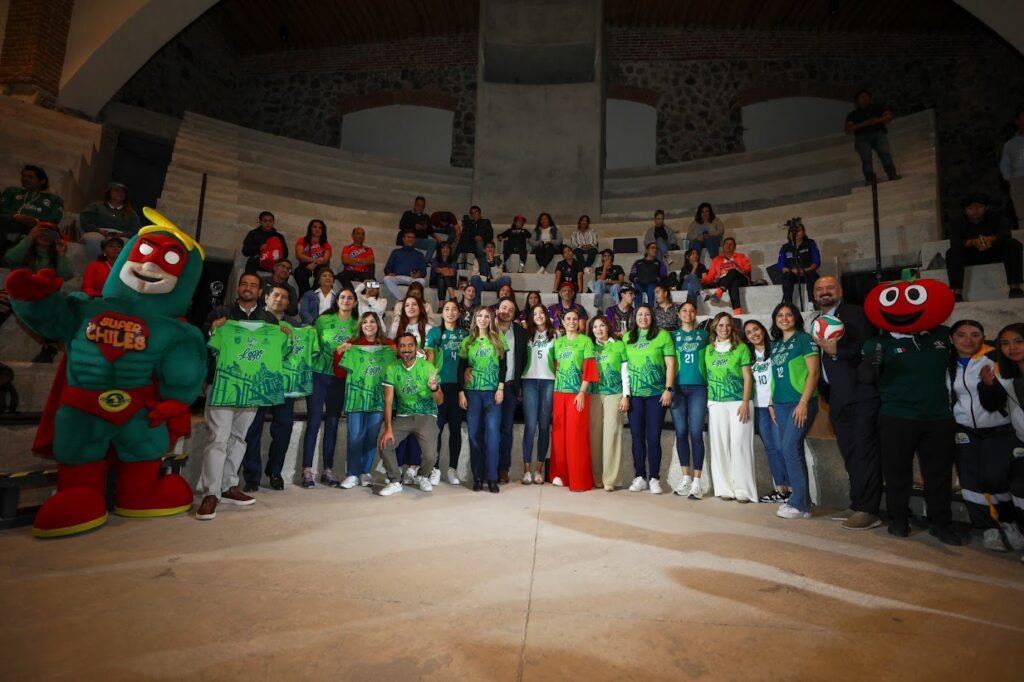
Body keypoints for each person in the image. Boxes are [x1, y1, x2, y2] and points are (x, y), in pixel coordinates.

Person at [859, 295, 960, 545]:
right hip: (897, 417)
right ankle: (898, 519)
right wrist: (871, 364)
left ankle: (940, 523)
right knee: (896, 472)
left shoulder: (942, 336)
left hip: (938, 416)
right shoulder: (877, 343)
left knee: (938, 474)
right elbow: (864, 377)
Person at [197, 314, 290, 520]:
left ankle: (229, 486)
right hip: (222, 388)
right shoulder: (225, 317)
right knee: (218, 438)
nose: (248, 288)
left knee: (239, 438)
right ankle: (211, 493)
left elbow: (283, 352)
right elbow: (209, 343)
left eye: (253, 285)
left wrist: (285, 336)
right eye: (244, 283)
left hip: (252, 392)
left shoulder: (270, 325)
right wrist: (214, 329)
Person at [812, 276, 882, 530]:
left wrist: (836, 351)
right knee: (850, 453)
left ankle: (869, 510)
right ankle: (857, 502)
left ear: (840, 291)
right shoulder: (816, 322)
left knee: (865, 452)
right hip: (837, 397)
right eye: (819, 289)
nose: (824, 292)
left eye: (830, 288)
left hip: (861, 394)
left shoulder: (857, 314)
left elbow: (869, 349)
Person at [949, 320, 1024, 552]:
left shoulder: (995, 357)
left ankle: (1009, 524)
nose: (968, 340)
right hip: (964, 431)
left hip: (999, 431)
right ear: (952, 339)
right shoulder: (947, 362)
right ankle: (987, 529)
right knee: (971, 483)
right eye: (961, 335)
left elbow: (998, 399)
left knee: (998, 480)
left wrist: (988, 385)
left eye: (974, 334)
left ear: (983, 337)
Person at [241, 285, 303, 493]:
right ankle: (252, 476)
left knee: (284, 427)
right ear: (266, 298)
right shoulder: (253, 321)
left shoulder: (294, 325)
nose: (279, 299)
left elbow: (300, 354)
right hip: (258, 382)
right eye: (275, 295)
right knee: (253, 429)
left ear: (288, 303)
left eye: (284, 297)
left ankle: (275, 472)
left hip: (285, 385)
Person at [302, 286, 358, 488]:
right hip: (318, 376)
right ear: (337, 300)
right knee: (314, 421)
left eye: (350, 297)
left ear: (355, 302)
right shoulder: (323, 321)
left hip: (340, 379)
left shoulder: (357, 324)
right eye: (342, 297)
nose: (346, 300)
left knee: (333, 424)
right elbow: (310, 344)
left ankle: (328, 469)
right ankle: (307, 470)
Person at [769, 302, 820, 519]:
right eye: (779, 315)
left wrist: (803, 402)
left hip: (799, 402)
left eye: (788, 315)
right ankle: (803, 502)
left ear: (795, 317)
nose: (784, 318)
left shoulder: (804, 339)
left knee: (790, 447)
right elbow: (775, 376)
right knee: (790, 449)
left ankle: (798, 504)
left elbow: (814, 373)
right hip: (780, 403)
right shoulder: (777, 344)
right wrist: (771, 402)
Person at [376, 333, 444, 496]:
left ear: (416, 348)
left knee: (430, 455)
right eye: (403, 346)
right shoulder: (392, 368)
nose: (407, 349)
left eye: (410, 345)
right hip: (404, 416)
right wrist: (388, 429)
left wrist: (434, 388)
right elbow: (388, 402)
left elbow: (440, 401)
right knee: (385, 444)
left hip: (426, 415)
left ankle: (422, 476)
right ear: (398, 349)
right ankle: (395, 480)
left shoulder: (427, 367)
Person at [336, 312, 396, 489]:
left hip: (378, 399)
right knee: (355, 436)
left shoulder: (388, 346)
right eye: (365, 322)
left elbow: (399, 367)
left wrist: (396, 352)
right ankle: (352, 473)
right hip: (356, 399)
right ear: (360, 326)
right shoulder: (353, 345)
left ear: (378, 324)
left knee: (371, 436)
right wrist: (340, 352)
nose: (368, 325)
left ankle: (365, 472)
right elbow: (340, 373)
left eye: (372, 322)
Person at [979, 323, 1024, 561]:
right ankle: (1015, 529)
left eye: (1018, 341)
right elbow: (992, 405)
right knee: (1012, 487)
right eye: (1005, 343)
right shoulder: (1002, 374)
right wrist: (987, 386)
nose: (1012, 348)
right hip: (1019, 439)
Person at [2, 221, 73, 363]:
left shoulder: (55, 256)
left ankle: (50, 348)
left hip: (43, 296)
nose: (45, 236)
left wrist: (61, 255)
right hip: (18, 294)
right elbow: (9, 259)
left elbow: (66, 275)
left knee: (57, 302)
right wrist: (29, 238)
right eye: (42, 232)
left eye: (50, 234)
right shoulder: (24, 250)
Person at [624, 304, 676, 494]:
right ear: (634, 317)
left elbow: (671, 364)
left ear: (652, 317)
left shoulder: (662, 335)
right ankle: (639, 477)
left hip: (656, 395)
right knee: (637, 437)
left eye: (647, 314)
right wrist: (625, 394)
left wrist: (668, 389)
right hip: (635, 396)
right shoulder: (627, 338)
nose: (643, 318)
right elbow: (624, 368)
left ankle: (654, 477)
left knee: (653, 437)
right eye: (640, 314)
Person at [704, 312, 756, 502]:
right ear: (714, 328)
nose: (724, 329)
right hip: (716, 402)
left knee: (739, 444)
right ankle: (724, 487)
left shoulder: (741, 348)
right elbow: (706, 376)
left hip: (738, 402)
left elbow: (748, 377)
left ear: (732, 327)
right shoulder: (708, 350)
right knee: (720, 445)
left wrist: (745, 402)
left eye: (727, 325)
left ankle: (743, 489)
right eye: (720, 326)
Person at [458, 306, 507, 493]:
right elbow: (461, 367)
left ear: (491, 319)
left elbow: (504, 365)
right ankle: (477, 477)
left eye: (487, 316)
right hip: (472, 393)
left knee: (493, 435)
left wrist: (500, 388)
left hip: (492, 393)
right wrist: (461, 392)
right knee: (474, 435)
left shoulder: (498, 339)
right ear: (475, 319)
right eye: (480, 316)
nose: (483, 319)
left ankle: (492, 478)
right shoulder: (467, 341)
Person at [549, 309, 597, 491]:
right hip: (558, 392)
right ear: (562, 321)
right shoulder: (558, 343)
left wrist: (582, 392)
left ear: (579, 322)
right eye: (568, 318)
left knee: (576, 435)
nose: (571, 321)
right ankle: (560, 475)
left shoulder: (585, 341)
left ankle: (579, 479)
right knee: (559, 435)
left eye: (574, 319)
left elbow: (589, 368)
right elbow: (554, 367)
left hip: (577, 394)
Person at [945, 193, 1023, 301]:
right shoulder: (957, 222)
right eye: (970, 208)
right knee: (952, 252)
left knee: (1013, 244)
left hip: (994, 251)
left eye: (979, 207)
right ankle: (956, 293)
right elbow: (955, 242)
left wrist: (991, 239)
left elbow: (1005, 234)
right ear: (965, 210)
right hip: (970, 255)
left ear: (986, 207)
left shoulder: (997, 216)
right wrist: (973, 242)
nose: (975, 211)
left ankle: (1015, 289)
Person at [744, 319, 789, 504]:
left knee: (781, 447)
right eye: (749, 332)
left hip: (776, 404)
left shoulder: (776, 349)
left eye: (756, 329)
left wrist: (772, 401)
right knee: (770, 448)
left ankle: (793, 488)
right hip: (759, 407)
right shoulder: (748, 355)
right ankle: (780, 489)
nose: (754, 334)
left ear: (763, 330)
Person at [426, 300, 469, 486]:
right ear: (441, 313)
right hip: (440, 388)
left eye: (454, 310)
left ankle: (452, 469)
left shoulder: (465, 334)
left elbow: (468, 362)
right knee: (436, 429)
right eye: (446, 309)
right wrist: (433, 384)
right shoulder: (435, 333)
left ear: (459, 314)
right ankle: (434, 469)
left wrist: (463, 388)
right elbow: (429, 359)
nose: (450, 312)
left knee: (455, 431)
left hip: (458, 388)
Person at [670, 302, 709, 498]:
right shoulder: (673, 336)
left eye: (692, 310)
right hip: (677, 388)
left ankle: (697, 482)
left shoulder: (704, 335)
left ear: (696, 314)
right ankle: (685, 478)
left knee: (695, 432)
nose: (688, 313)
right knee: (681, 431)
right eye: (684, 310)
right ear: (679, 314)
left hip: (698, 388)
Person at [588, 316, 629, 491]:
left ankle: (610, 479)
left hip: (614, 394)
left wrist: (626, 395)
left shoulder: (619, 345)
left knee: (612, 433)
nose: (599, 329)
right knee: (595, 435)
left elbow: (625, 371)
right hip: (594, 394)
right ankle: (596, 477)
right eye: (595, 327)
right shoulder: (589, 346)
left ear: (608, 326)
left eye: (602, 325)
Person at [521, 304, 556, 485]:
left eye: (541, 312)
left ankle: (539, 469)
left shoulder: (555, 335)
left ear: (546, 315)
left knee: (543, 426)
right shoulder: (526, 335)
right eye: (535, 313)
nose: (538, 316)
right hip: (529, 381)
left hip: (549, 381)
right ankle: (526, 470)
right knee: (530, 426)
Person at [494, 297, 527, 483]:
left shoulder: (521, 333)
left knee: (506, 429)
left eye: (511, 309)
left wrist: (519, 384)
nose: (506, 311)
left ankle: (503, 468)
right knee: (490, 428)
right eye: (503, 307)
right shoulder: (488, 329)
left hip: (510, 388)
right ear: (498, 309)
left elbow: (522, 359)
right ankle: (488, 466)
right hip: (489, 387)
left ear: (514, 314)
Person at [0, 165, 63, 249]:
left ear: (42, 181)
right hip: (8, 224)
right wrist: (16, 216)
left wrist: (35, 221)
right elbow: (2, 208)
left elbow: (55, 218)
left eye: (30, 177)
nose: (25, 179)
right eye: (23, 176)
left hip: (35, 229)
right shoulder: (11, 191)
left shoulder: (54, 199)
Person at [845, 89, 899, 184]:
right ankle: (870, 179)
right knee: (866, 158)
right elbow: (848, 129)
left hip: (878, 133)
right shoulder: (853, 114)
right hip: (862, 137)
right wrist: (864, 124)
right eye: (861, 97)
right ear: (857, 101)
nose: (864, 99)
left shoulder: (878, 108)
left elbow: (889, 117)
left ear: (869, 98)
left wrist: (877, 120)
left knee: (885, 153)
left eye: (865, 97)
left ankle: (892, 174)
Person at [79, 182, 141, 260]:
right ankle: (96, 266)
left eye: (123, 192)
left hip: (121, 236)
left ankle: (115, 269)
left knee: (128, 244)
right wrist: (98, 230)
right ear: (109, 192)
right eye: (117, 190)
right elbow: (86, 221)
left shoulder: (131, 213)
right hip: (98, 232)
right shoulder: (96, 206)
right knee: (94, 239)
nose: (120, 193)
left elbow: (136, 230)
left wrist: (123, 234)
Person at [702, 237, 751, 315]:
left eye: (731, 244)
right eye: (726, 244)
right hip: (725, 280)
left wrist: (741, 270)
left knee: (733, 271)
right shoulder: (717, 259)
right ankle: (737, 312)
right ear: (723, 246)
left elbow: (747, 268)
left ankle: (719, 292)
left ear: (734, 247)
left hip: (741, 278)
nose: (728, 246)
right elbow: (710, 276)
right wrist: (701, 281)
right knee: (733, 284)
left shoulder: (741, 256)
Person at [778, 219, 821, 307]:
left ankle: (812, 303)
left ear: (804, 232)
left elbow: (816, 262)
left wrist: (806, 270)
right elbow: (781, 266)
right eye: (794, 231)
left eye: (799, 231)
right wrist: (792, 270)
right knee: (786, 276)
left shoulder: (810, 243)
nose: (796, 233)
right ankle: (788, 304)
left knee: (812, 275)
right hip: (792, 273)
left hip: (807, 272)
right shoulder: (785, 248)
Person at [382, 230, 428, 302]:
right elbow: (387, 268)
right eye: (408, 237)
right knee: (386, 279)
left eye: (412, 237)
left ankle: (409, 299)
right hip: (397, 277)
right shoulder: (396, 252)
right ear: (403, 239)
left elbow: (424, 272)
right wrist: (389, 273)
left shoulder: (419, 254)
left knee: (422, 281)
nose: (410, 239)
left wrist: (419, 274)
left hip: (412, 279)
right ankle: (402, 299)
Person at [293, 219, 331, 296]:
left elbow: (325, 259)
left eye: (320, 228)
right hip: (305, 265)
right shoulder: (302, 240)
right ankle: (305, 295)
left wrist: (315, 263)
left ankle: (313, 294)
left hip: (320, 266)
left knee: (323, 274)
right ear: (310, 228)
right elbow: (299, 255)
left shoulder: (326, 244)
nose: (317, 229)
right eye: (315, 227)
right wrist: (314, 260)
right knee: (298, 272)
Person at [1000, 107, 1024, 230]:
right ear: (1017, 121)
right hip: (1019, 180)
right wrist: (1011, 180)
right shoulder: (1011, 144)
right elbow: (1005, 164)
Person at [469, 241, 512, 307]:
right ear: (484, 250)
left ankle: (503, 304)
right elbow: (475, 274)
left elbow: (497, 277)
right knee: (474, 278)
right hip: (482, 284)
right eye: (488, 247)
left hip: (495, 284)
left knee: (506, 279)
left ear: (494, 250)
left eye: (492, 247)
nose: (490, 249)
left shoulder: (499, 261)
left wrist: (492, 262)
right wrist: (487, 279)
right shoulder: (477, 260)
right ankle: (476, 306)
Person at [397, 195, 440, 260]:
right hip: (410, 239)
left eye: (422, 206)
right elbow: (401, 225)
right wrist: (414, 226)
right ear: (415, 204)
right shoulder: (407, 214)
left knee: (433, 243)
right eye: (418, 205)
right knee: (408, 239)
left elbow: (430, 230)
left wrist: (426, 229)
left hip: (421, 240)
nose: (420, 207)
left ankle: (425, 262)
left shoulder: (426, 216)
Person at [629, 241, 668, 306]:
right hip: (639, 283)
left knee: (651, 289)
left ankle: (650, 312)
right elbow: (632, 275)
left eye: (656, 248)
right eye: (652, 248)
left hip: (652, 283)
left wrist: (657, 279)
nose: (655, 250)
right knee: (637, 290)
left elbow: (664, 276)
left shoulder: (659, 263)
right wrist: (635, 279)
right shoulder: (638, 262)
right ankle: (637, 312)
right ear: (647, 250)